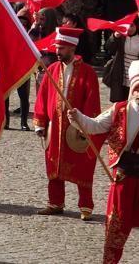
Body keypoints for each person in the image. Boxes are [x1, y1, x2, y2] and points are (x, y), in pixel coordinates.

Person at [67, 60, 139, 264]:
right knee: (117, 224)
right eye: (137, 88)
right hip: (124, 175)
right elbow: (95, 126)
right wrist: (77, 118)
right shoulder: (120, 109)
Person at [33, 27, 102, 220]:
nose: (57, 51)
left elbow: (92, 101)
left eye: (61, 48)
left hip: (76, 128)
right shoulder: (52, 70)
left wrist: (85, 124)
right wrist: (40, 123)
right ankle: (55, 202)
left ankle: (86, 205)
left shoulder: (87, 72)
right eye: (57, 47)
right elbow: (42, 97)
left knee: (82, 166)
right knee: (54, 164)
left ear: (72, 48)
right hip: (55, 127)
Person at [103, 15, 139, 102]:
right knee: (121, 98)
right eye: (127, 25)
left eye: (132, 26)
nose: (129, 29)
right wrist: (114, 37)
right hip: (121, 70)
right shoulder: (121, 35)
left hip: (136, 71)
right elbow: (108, 48)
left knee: (134, 98)